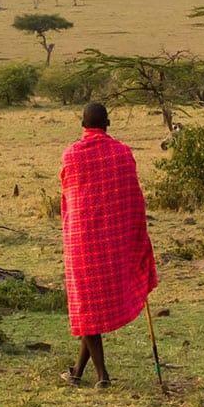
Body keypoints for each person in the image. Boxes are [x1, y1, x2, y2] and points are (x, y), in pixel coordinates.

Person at [59, 102, 158, 387]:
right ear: (108, 123)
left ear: (82, 124)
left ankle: (102, 376)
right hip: (114, 243)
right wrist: (138, 237)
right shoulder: (123, 153)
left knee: (86, 308)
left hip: (82, 243)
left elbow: (68, 196)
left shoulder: (71, 156)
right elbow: (135, 200)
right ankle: (77, 372)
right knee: (88, 311)